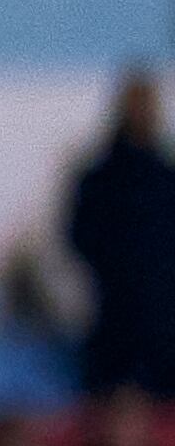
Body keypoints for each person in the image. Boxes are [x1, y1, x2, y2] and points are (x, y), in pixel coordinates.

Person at [68, 65, 175, 397]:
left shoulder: (165, 178)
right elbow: (79, 238)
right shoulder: (99, 180)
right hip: (114, 319)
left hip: (163, 326)